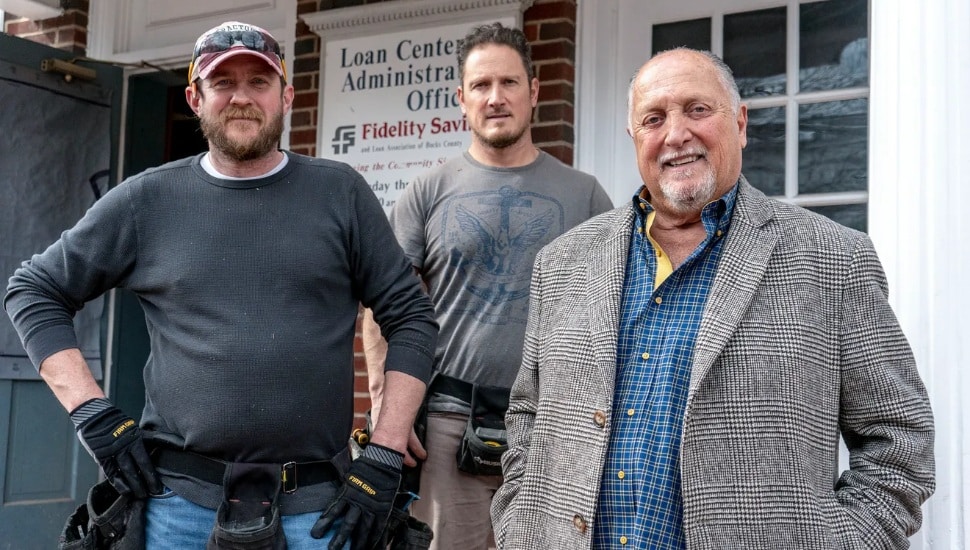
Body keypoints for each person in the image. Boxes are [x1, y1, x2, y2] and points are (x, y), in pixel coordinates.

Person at [4, 21, 437, 550]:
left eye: (259, 81)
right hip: (175, 511)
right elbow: (33, 290)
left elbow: (411, 317)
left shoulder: (340, 193)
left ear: (286, 96)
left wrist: (387, 450)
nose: (241, 98)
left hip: (319, 512)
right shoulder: (147, 201)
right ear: (195, 97)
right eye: (222, 82)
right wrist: (92, 412)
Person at [490, 48, 935, 549]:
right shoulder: (563, 263)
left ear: (740, 123)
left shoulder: (834, 259)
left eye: (697, 110)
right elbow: (527, 418)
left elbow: (900, 442)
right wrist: (519, 528)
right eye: (653, 119)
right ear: (635, 138)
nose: (676, 134)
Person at [361, 22, 613, 550]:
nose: (495, 98)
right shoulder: (428, 191)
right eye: (480, 86)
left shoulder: (584, 195)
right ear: (461, 98)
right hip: (450, 426)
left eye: (509, 83)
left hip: (555, 428)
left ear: (534, 91)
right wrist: (390, 408)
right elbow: (384, 308)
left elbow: (615, 308)